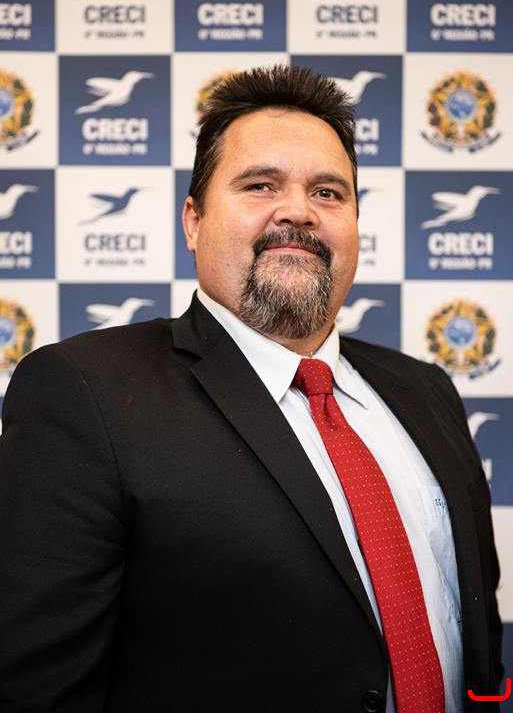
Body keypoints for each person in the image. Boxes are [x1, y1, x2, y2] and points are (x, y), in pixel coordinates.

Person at [0, 65, 503, 712]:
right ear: (193, 221)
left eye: (327, 192)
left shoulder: (426, 389)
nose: (298, 210)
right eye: (260, 184)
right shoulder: (85, 392)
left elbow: (474, 632)